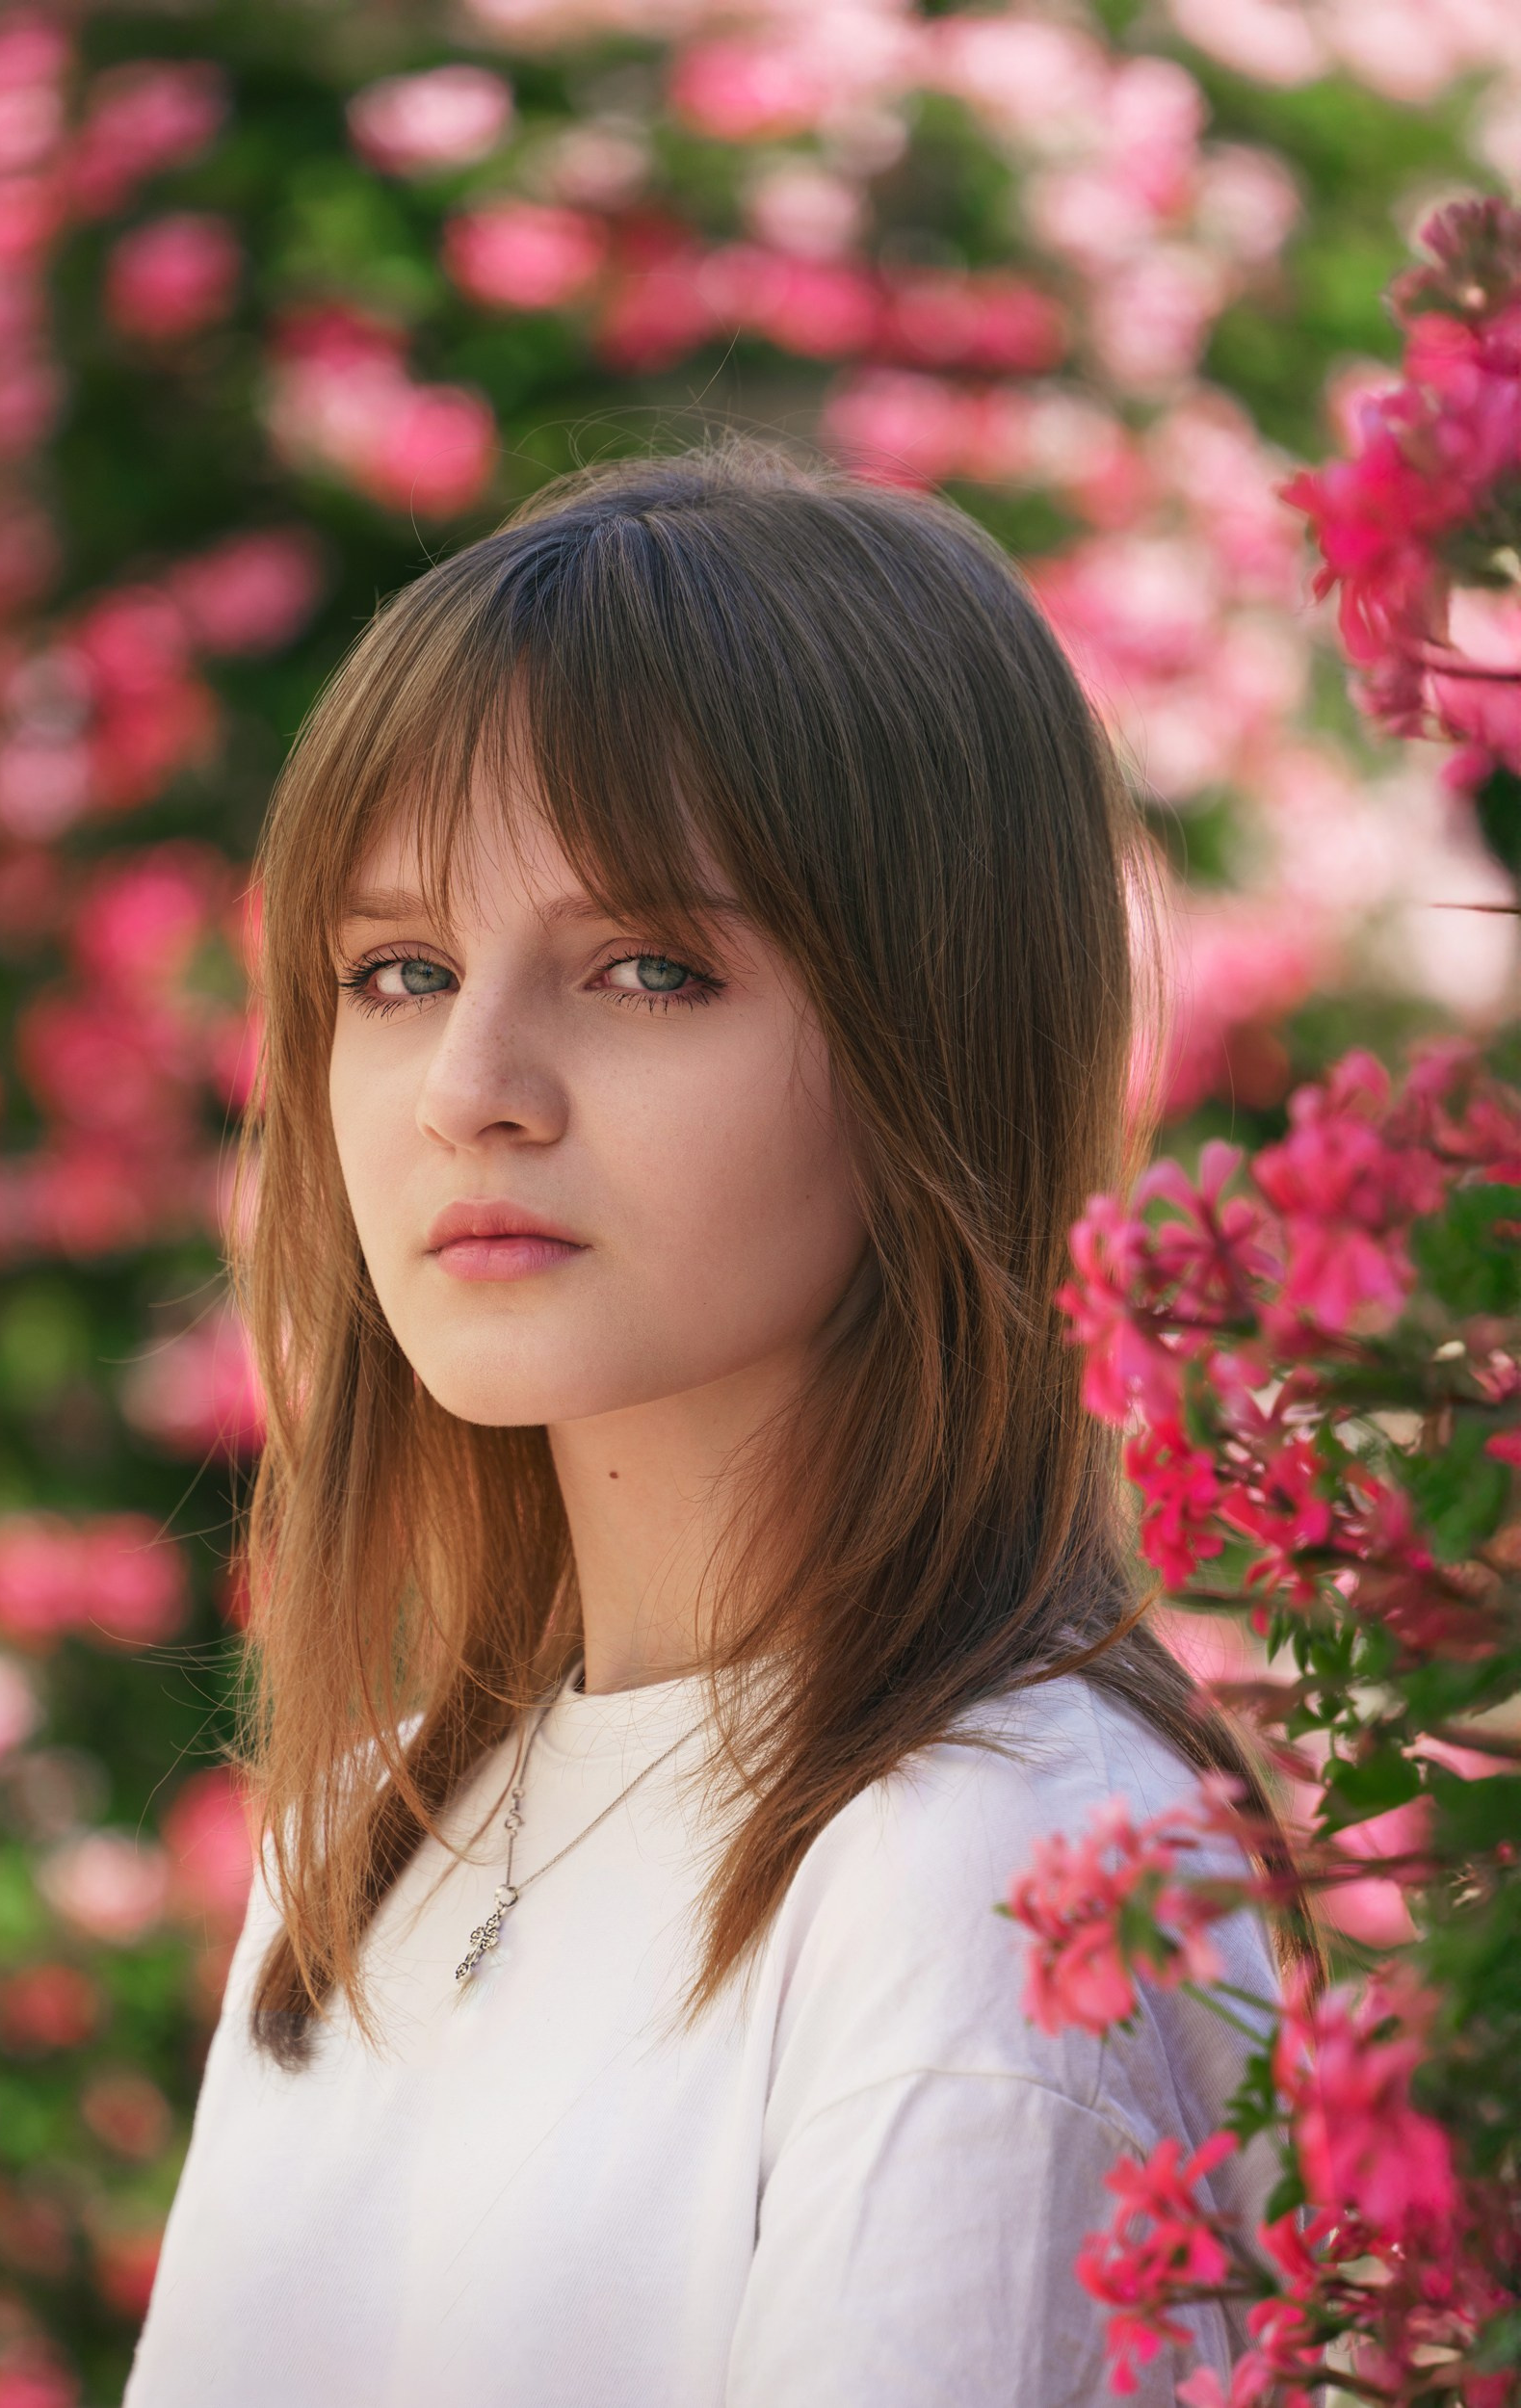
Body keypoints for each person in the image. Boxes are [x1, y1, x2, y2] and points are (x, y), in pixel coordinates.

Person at [122, 442, 1306, 2408]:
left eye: (647, 967)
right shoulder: (370, 1830)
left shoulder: (1000, 1863)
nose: (471, 1086)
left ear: (932, 1033)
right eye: (398, 970)